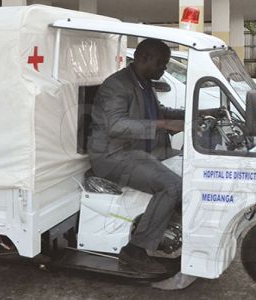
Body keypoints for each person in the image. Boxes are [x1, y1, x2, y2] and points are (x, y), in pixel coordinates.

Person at [88, 39, 185, 273]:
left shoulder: (142, 82)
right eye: (161, 64)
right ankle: (135, 250)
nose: (163, 69)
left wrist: (195, 113)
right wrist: (162, 124)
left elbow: (159, 112)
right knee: (172, 186)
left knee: (192, 168)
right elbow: (116, 125)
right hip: (113, 155)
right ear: (144, 59)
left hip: (141, 150)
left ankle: (170, 231)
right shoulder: (117, 86)